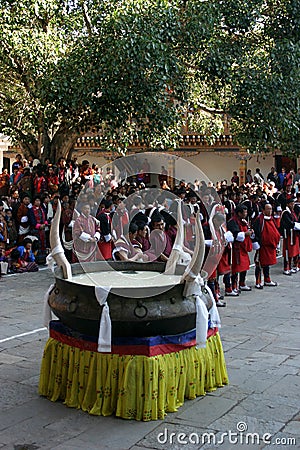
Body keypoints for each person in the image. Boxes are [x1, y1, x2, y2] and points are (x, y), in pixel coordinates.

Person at [252, 203, 281, 288]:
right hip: (262, 246)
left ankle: (267, 279)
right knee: (259, 263)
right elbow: (255, 232)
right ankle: (258, 282)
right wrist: (256, 243)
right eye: (268, 209)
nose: (270, 211)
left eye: (271, 209)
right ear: (263, 210)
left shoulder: (272, 219)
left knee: (267, 264)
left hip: (271, 246)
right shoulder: (259, 220)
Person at [227, 204, 254, 292]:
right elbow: (235, 234)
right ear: (239, 213)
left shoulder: (243, 221)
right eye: (244, 212)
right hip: (236, 248)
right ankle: (234, 286)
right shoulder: (232, 221)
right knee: (235, 267)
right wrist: (245, 233)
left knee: (245, 266)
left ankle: (242, 283)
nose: (246, 214)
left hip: (244, 247)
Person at [280, 197, 300, 275]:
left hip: (294, 234)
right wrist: (297, 225)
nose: (293, 205)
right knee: (287, 251)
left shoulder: (292, 212)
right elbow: (289, 223)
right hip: (288, 235)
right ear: (287, 204)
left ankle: (291, 267)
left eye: (293, 204)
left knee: (293, 251)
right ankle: (286, 268)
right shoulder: (285, 213)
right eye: (291, 204)